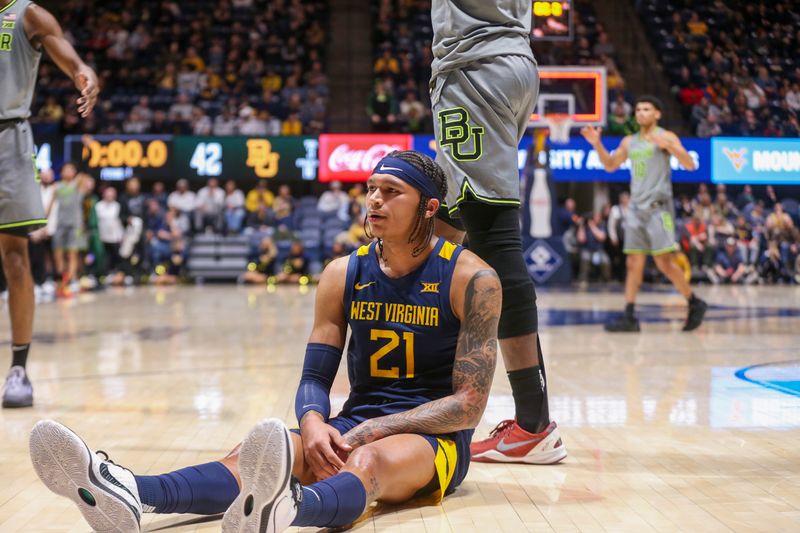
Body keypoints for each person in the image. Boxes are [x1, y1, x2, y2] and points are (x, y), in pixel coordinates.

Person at [30, 150, 502, 533]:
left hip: (433, 442)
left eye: (391, 192)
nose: (374, 201)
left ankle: (289, 510)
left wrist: (367, 431)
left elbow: (468, 406)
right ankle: (133, 490)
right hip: (355, 419)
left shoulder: (471, 277)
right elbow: (315, 374)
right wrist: (314, 421)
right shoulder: (343, 273)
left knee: (366, 460)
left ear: (429, 207)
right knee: (254, 458)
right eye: (371, 190)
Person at [428, 0, 566, 464]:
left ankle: (533, 424)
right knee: (448, 223)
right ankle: (417, 377)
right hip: (512, 57)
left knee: (491, 232)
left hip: (474, 62)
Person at [0, 0, 98, 407]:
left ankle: (19, 369)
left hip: (8, 138)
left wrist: (83, 74)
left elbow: (70, 55)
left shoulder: (27, 14)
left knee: (16, 256)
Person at [581, 96, 708, 332]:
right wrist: (597, 144)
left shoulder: (666, 136)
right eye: (638, 109)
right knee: (632, 263)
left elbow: (690, 164)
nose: (640, 112)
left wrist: (671, 147)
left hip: (659, 209)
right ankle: (629, 316)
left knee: (664, 263)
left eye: (646, 109)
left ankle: (694, 301)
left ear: (657, 114)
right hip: (636, 209)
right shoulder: (630, 141)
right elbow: (610, 165)